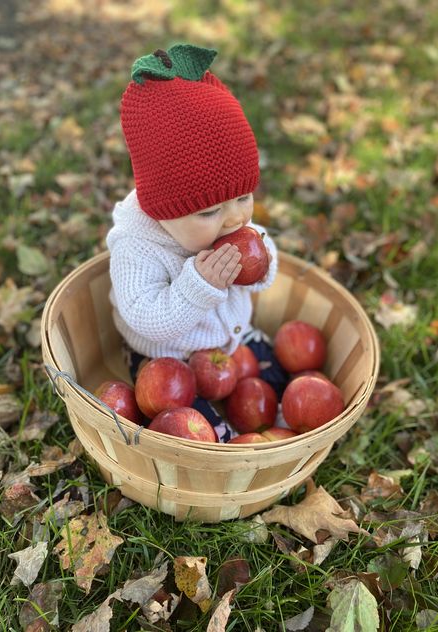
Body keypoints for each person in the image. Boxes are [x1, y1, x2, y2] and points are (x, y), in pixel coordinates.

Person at [106, 43, 288, 441]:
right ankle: (222, 452)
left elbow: (262, 263)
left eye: (243, 197)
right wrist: (197, 287)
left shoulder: (228, 223)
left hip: (229, 340)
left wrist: (262, 260)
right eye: (208, 212)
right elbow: (146, 318)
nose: (237, 218)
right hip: (165, 360)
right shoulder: (135, 248)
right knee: (200, 430)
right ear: (160, 210)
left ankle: (278, 424)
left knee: (278, 376)